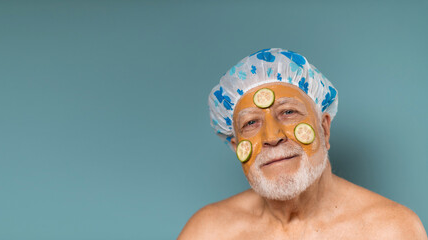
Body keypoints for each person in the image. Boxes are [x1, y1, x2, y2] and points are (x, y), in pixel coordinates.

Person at [177, 48, 427, 239]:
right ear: (236, 147)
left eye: (288, 112)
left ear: (324, 129)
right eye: (251, 123)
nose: (272, 137)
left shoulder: (391, 230)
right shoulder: (207, 232)